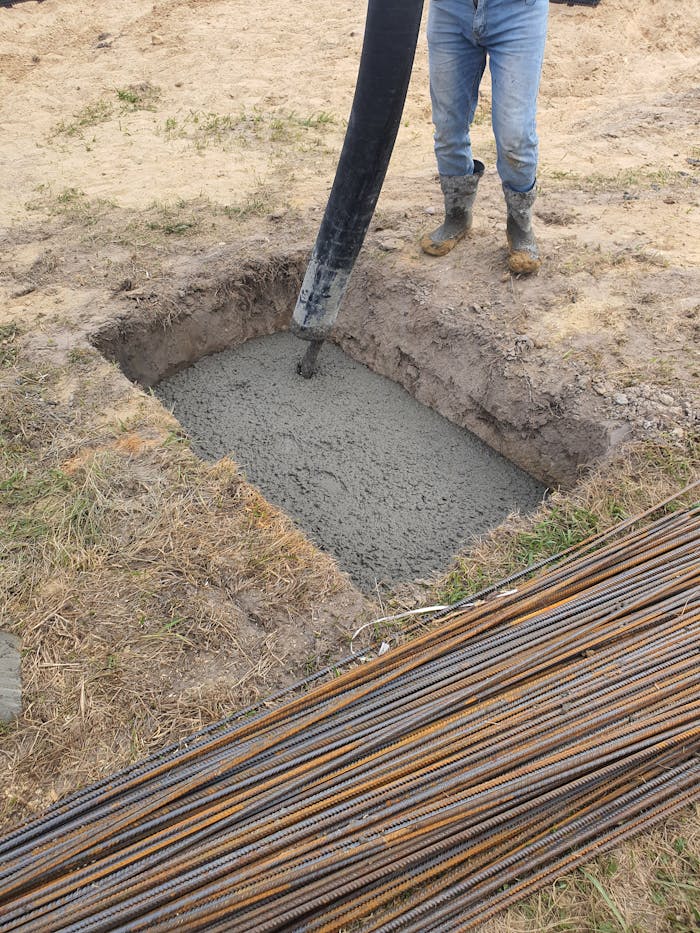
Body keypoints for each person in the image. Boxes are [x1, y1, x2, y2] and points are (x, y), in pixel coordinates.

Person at [420, 0, 549, 274]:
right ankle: (456, 215)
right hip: (451, 9)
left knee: (515, 133)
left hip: (518, 11)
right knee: (447, 124)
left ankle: (520, 223)